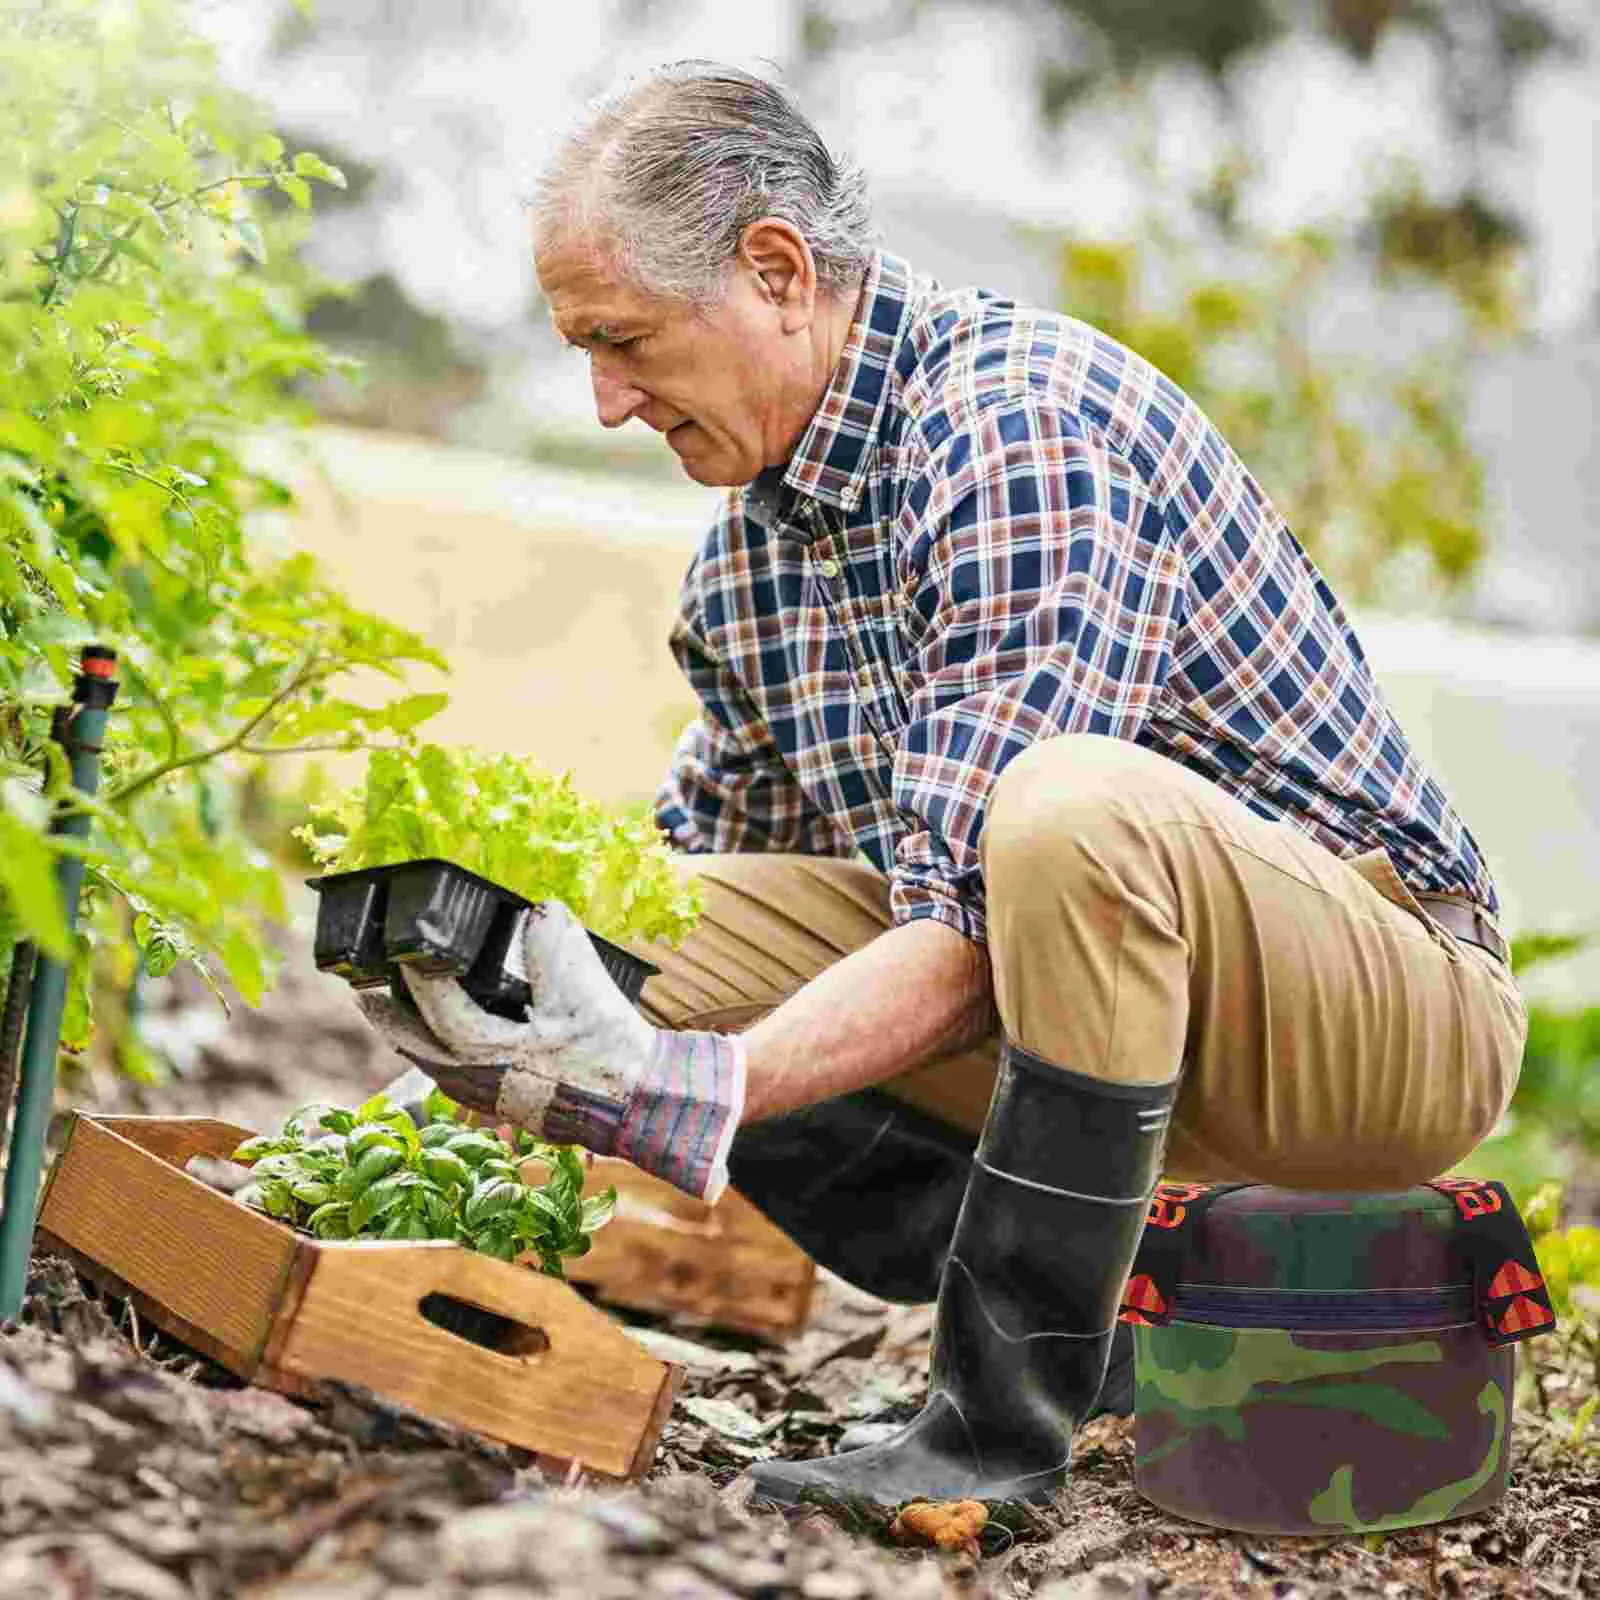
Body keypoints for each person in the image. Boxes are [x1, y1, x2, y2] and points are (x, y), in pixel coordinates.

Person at [362, 61, 1528, 1507]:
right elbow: (700, 913)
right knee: (622, 911)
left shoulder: (1016, 429)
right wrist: (454, 1051)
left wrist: (703, 1090)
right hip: (1100, 1027)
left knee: (1062, 812)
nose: (604, 401)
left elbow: (986, 913)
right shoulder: (751, 556)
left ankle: (993, 1431)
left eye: (624, 340)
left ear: (777, 273)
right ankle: (1134, 1334)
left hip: (1368, 1022)